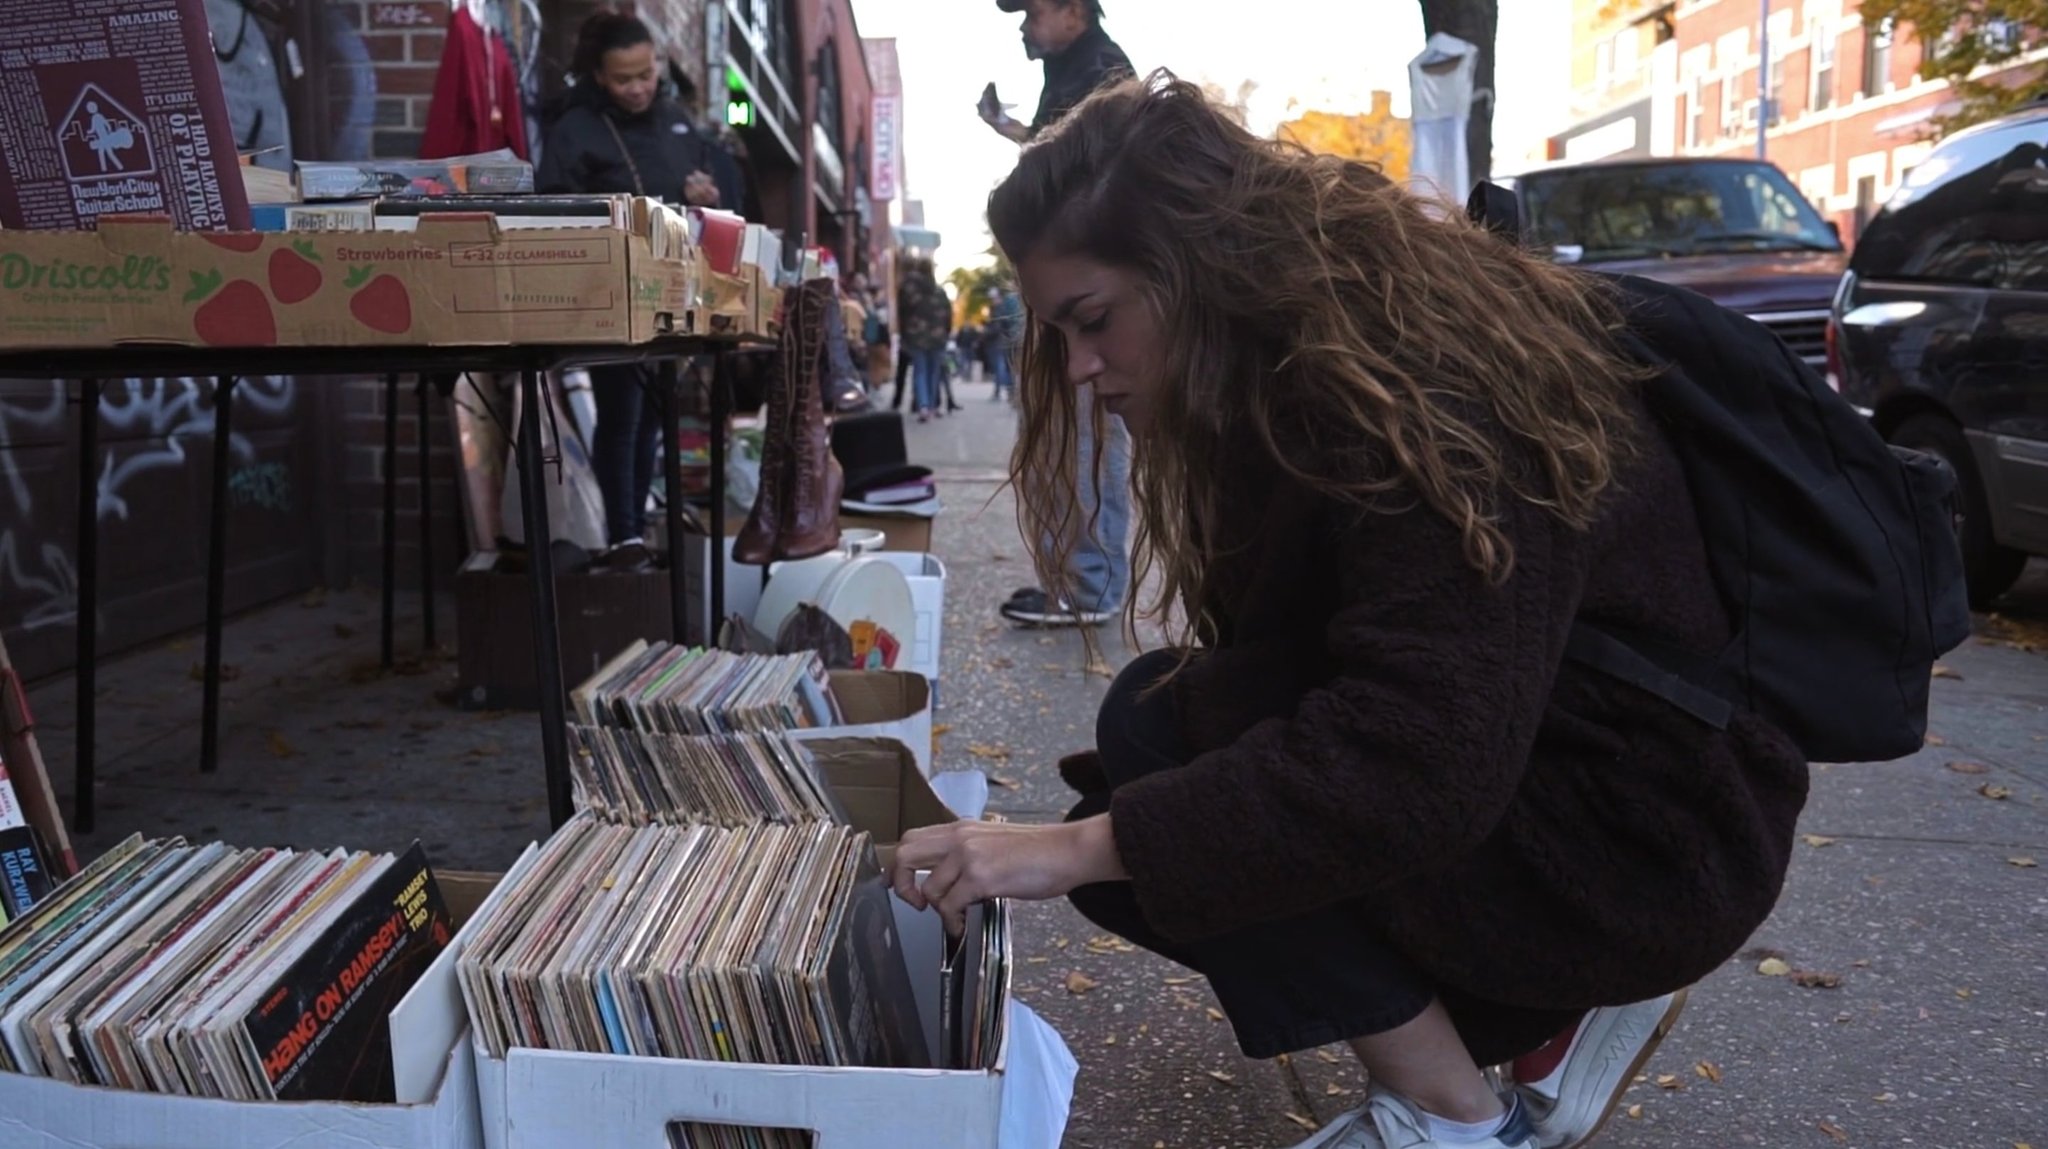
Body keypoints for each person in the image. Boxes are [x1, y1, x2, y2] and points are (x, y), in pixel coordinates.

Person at [889, 76, 1808, 1149]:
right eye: (1057, 334)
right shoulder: (1290, 372)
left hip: (1647, 843)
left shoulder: (1418, 395)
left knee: (1153, 780)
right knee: (1155, 741)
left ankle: (1456, 1118)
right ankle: (1540, 1023)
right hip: (1577, 784)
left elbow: (1414, 762)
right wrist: (1110, 838)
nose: (1079, 368)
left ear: (1197, 263)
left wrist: (1076, 848)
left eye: (1093, 321)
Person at [536, 13, 733, 564]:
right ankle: (621, 536)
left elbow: (705, 189)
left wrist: (706, 193)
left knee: (652, 416)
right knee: (621, 415)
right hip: (607, 290)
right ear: (599, 76)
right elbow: (554, 206)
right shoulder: (575, 129)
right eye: (624, 79)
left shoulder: (675, 119)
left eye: (647, 73)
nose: (639, 87)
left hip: (673, 289)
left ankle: (636, 528)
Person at [981, 0, 1133, 628]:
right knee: (1057, 436)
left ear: (1075, 10)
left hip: (1084, 286)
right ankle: (1071, 581)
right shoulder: (1071, 70)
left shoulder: (1104, 72)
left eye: (1034, 11)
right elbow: (1060, 163)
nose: (1024, 25)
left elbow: (1096, 182)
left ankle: (1091, 586)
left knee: (1084, 437)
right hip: (1067, 282)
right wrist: (1010, 129)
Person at [896, 258, 953, 423]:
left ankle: (923, 406)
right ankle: (932, 406)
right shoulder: (939, 291)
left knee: (919, 371)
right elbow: (948, 315)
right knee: (934, 372)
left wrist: (903, 335)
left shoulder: (908, 290)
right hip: (938, 337)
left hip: (916, 336)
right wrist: (946, 333)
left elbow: (902, 314)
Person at [987, 285, 1024, 402]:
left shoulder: (1001, 307)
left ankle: (1007, 390)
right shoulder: (1010, 304)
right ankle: (1010, 391)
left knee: (1002, 367)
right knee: (1009, 366)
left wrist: (986, 333)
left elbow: (998, 325)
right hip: (1012, 339)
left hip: (1002, 340)